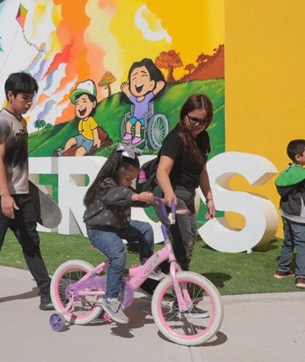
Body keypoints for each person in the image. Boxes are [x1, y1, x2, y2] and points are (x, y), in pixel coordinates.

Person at [0, 72, 54, 311]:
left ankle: (46, 292)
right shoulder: (0, 122)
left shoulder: (21, 122)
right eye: (25, 98)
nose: (29, 102)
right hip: (0, 195)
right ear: (10, 95)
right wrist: (5, 195)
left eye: (31, 98)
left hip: (22, 193)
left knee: (31, 242)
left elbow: (16, 163)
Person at [139, 94, 216, 296]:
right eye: (194, 119)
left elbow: (202, 171)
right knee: (183, 242)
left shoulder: (203, 138)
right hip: (169, 194)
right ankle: (180, 297)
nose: (198, 125)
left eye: (204, 121)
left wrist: (209, 198)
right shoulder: (175, 138)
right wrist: (169, 193)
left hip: (188, 194)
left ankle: (151, 276)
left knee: (186, 242)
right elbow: (162, 171)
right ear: (184, 115)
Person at [82, 144, 155, 324]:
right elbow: (117, 195)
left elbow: (132, 196)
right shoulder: (106, 185)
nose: (130, 183)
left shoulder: (124, 189)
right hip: (99, 229)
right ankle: (111, 299)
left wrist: (150, 199)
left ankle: (147, 267)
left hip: (118, 226)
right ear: (117, 172)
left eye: (132, 180)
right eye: (128, 179)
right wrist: (133, 195)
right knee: (118, 253)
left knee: (145, 229)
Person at [274, 139, 305, 288]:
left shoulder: (287, 171)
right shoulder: (304, 175)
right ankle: (302, 277)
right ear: (298, 157)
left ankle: (282, 270)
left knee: (288, 242)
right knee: (301, 245)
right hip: (300, 216)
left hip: (286, 214)